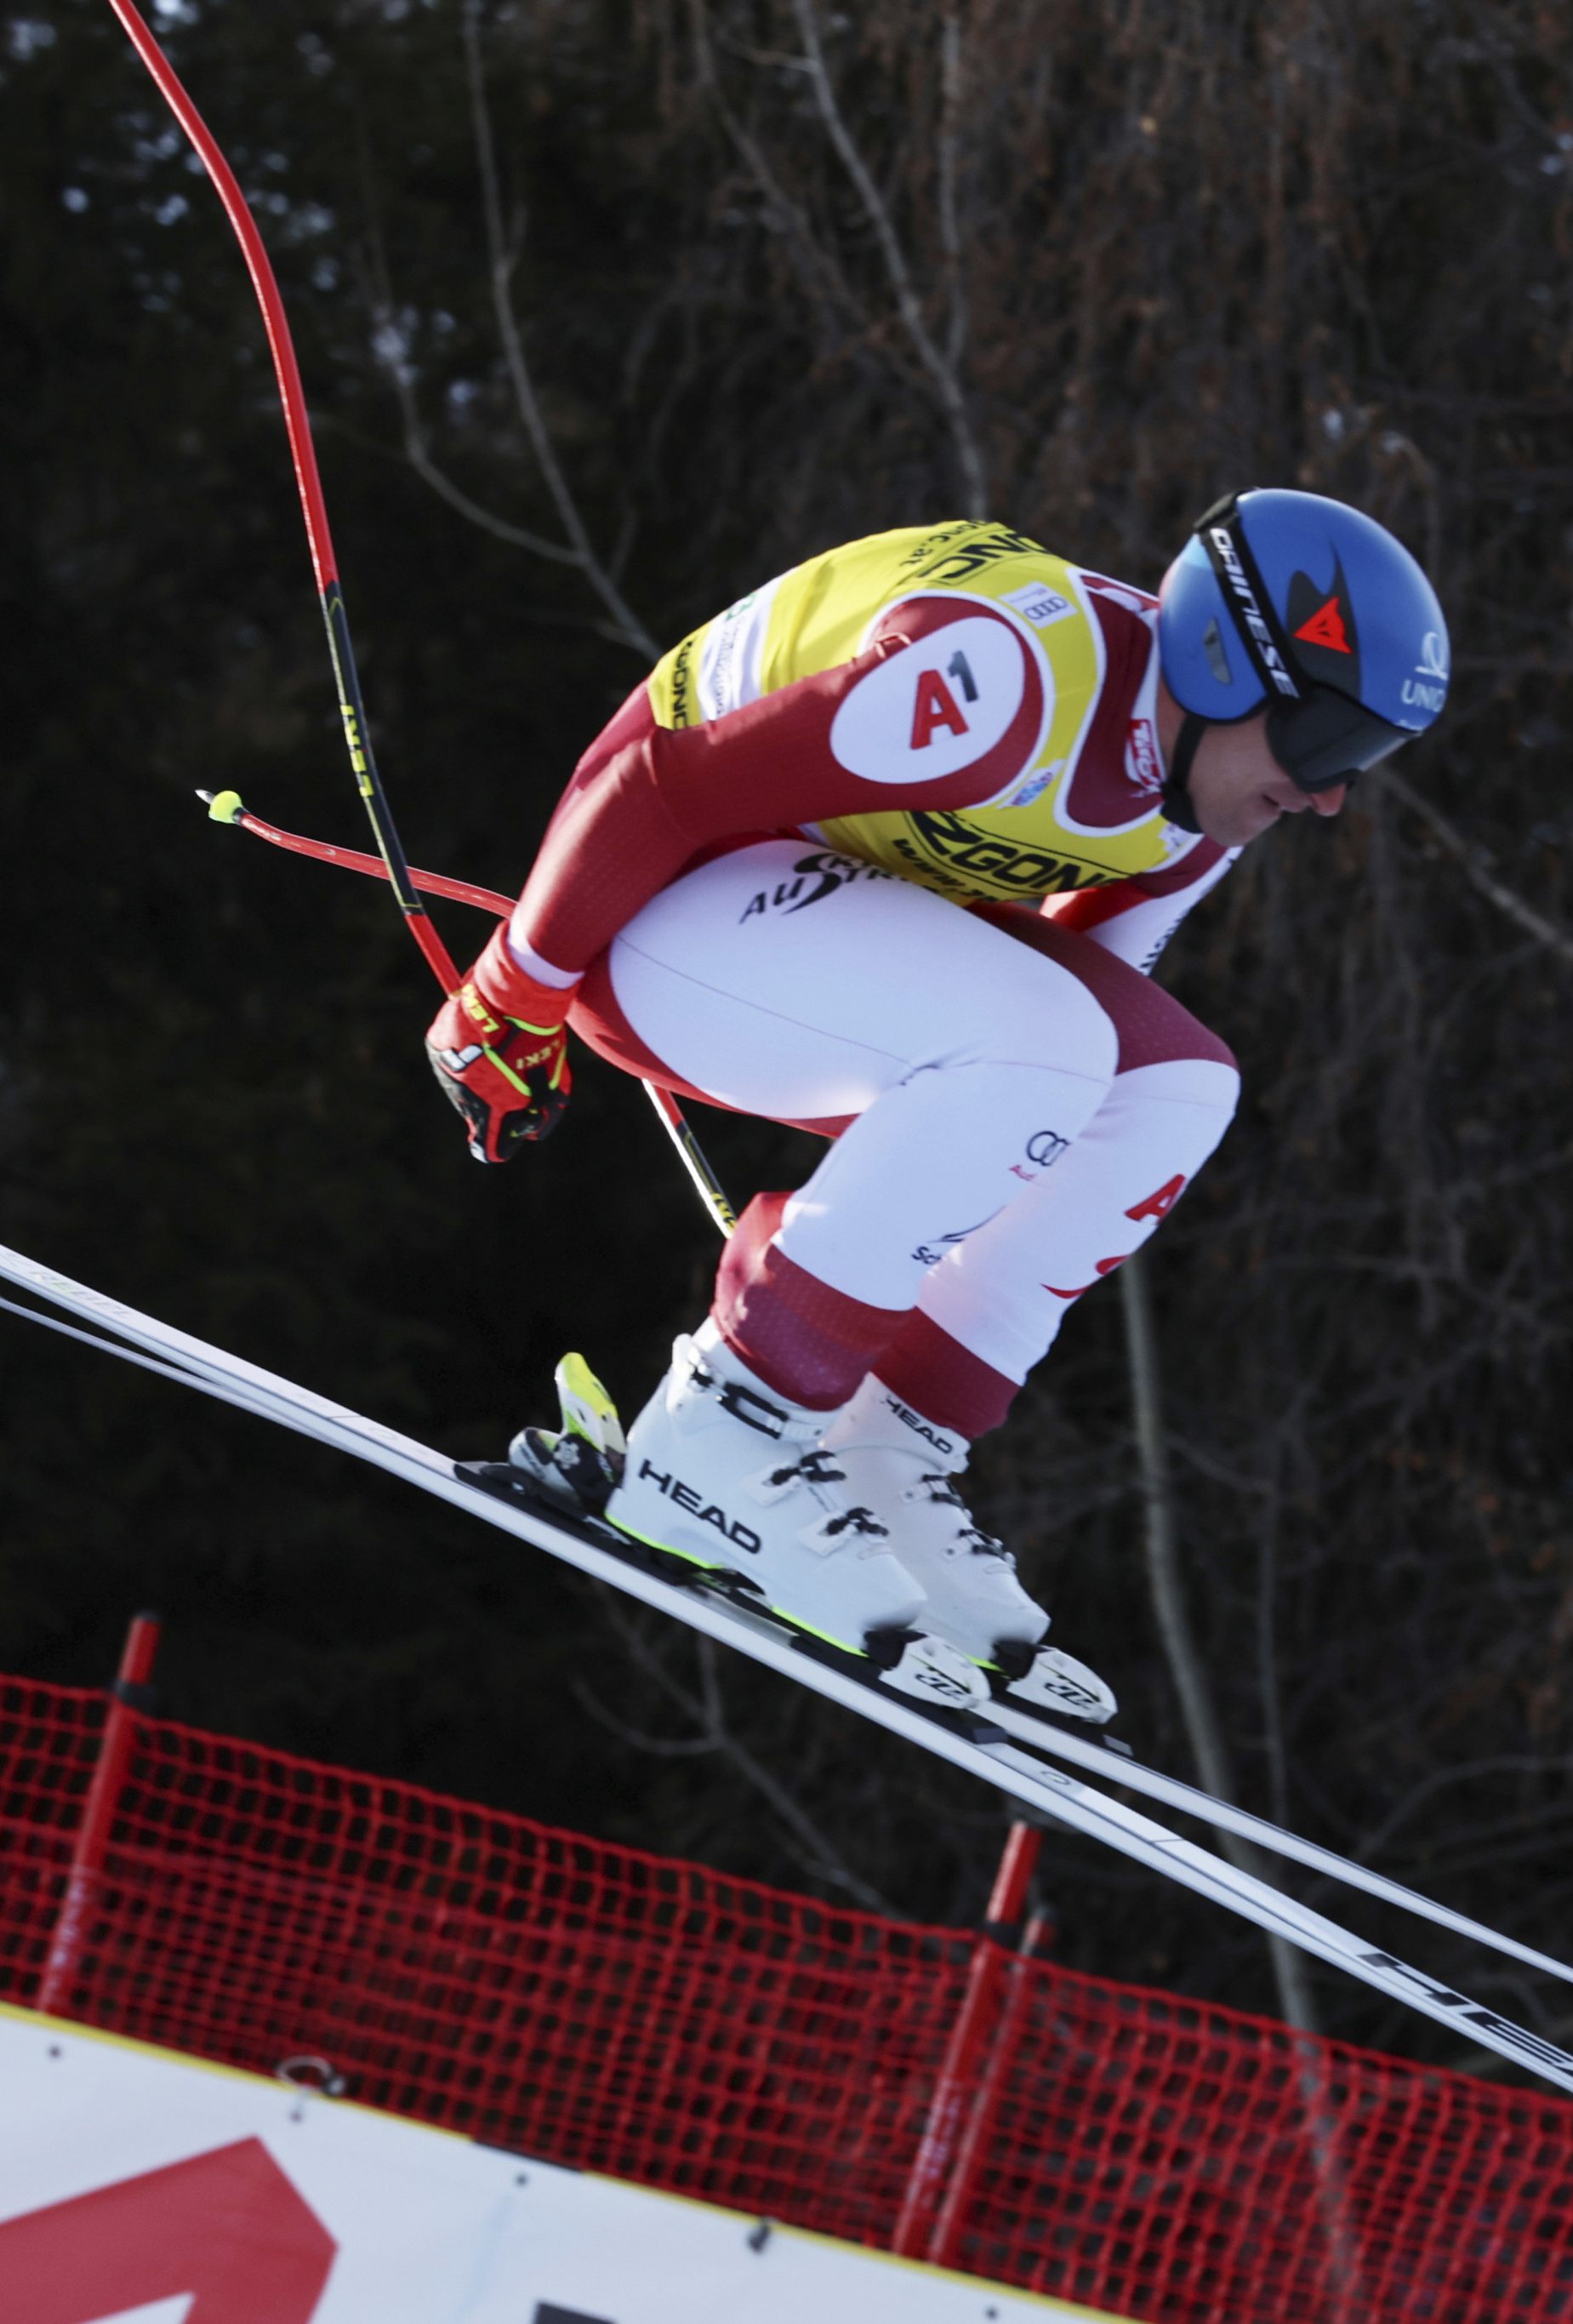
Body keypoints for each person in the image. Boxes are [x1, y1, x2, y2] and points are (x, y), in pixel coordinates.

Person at [428, 491, 1450, 1722]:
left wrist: (909, 1211)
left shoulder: (1191, 818)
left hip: (806, 921)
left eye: (1365, 764)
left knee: (1171, 1087)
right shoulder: (1005, 676)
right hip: (652, 901)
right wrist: (508, 998)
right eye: (1328, 746)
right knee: (1051, 1044)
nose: (1332, 797)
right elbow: (656, 787)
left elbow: (1059, 1060)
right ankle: (722, 1438)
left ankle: (883, 1447)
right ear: (1226, 666)